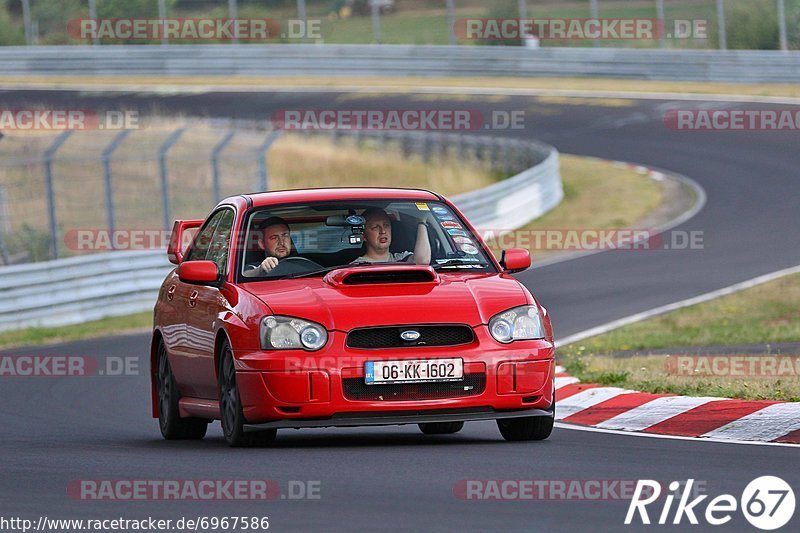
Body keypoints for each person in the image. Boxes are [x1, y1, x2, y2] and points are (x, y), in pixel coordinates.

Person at [352, 207, 431, 265]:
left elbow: (422, 261)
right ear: (364, 236)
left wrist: (422, 222)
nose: (383, 231)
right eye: (375, 227)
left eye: (386, 225)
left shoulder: (401, 258)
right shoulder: (356, 266)